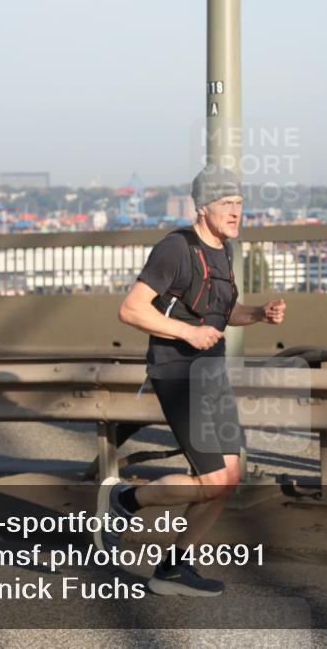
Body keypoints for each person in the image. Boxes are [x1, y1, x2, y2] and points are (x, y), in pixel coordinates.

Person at [96, 164, 286, 596]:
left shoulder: (223, 249)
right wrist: (187, 333)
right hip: (178, 373)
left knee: (228, 478)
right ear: (202, 208)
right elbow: (131, 309)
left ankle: (174, 567)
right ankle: (123, 500)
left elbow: (220, 315)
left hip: (210, 371)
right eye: (226, 204)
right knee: (213, 481)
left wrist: (258, 314)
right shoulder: (176, 249)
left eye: (239, 203)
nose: (236, 212)